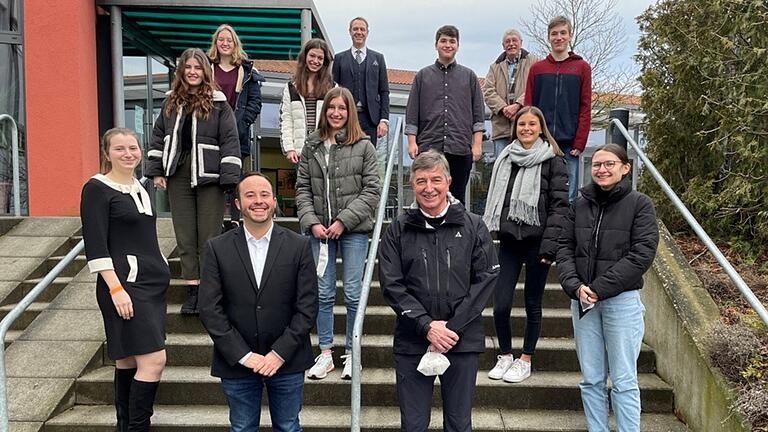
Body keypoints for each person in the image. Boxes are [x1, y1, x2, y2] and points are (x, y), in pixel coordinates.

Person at [378, 150, 499, 432]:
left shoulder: (473, 225)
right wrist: (427, 326)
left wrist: (451, 328)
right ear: (412, 184)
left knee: (458, 423)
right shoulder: (398, 229)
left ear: (448, 182)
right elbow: (391, 284)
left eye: (435, 180)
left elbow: (486, 278)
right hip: (412, 340)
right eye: (421, 181)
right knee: (413, 424)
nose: (428, 188)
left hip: (462, 339)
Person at [199, 172, 318, 432]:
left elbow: (307, 307)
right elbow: (209, 308)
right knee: (242, 427)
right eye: (250, 195)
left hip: (288, 360)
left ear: (274, 201)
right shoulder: (216, 248)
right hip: (237, 362)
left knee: (288, 426)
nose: (258, 201)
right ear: (238, 203)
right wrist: (243, 356)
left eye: (264, 195)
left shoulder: (298, 246)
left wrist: (278, 354)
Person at [557, 144, 659, 432]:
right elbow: (564, 248)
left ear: (625, 168)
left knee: (624, 380)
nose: (601, 169)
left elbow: (641, 254)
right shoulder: (578, 205)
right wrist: (575, 287)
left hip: (620, 302)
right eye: (596, 164)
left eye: (609, 163)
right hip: (583, 302)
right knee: (591, 379)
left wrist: (599, 288)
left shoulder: (640, 205)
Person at [80, 128, 170, 431]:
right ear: (107, 153)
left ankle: (126, 427)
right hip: (123, 287)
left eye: (132, 147)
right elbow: (95, 244)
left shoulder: (140, 187)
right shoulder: (96, 188)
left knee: (129, 362)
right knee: (154, 360)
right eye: (119, 149)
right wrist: (115, 288)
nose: (128, 153)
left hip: (151, 288)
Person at [145, 48, 241, 315]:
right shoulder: (170, 103)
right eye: (188, 67)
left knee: (209, 236)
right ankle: (193, 291)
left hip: (210, 175)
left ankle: (210, 292)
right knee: (185, 235)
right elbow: (157, 138)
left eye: (197, 67)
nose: (192, 72)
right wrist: (156, 171)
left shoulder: (219, 102)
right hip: (178, 173)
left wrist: (229, 177)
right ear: (181, 71)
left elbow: (230, 141)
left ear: (205, 71)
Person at [295, 87, 380, 380]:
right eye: (331, 107)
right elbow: (302, 189)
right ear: (324, 111)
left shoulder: (364, 146)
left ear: (349, 112)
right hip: (319, 232)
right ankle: (326, 353)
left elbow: (372, 190)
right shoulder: (311, 145)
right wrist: (311, 222)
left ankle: (353, 354)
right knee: (323, 292)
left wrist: (343, 220)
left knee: (354, 292)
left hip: (353, 230)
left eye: (342, 108)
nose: (336, 113)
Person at [481, 106, 569, 383]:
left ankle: (526, 358)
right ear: (515, 128)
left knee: (533, 302)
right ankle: (505, 355)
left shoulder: (554, 161)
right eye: (522, 125)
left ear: (541, 127)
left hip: (538, 243)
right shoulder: (505, 158)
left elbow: (559, 207)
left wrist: (550, 247)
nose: (526, 129)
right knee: (500, 304)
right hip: (508, 241)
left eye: (532, 124)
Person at [405, 25, 485, 205]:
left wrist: (477, 144)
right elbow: (412, 113)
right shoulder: (422, 76)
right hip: (429, 148)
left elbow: (478, 114)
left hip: (460, 148)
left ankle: (456, 233)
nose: (447, 45)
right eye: (443, 41)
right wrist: (411, 143)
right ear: (436, 45)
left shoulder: (469, 77)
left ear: (457, 45)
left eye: (452, 41)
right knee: (428, 197)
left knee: (456, 200)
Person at [525, 15, 592, 202]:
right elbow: (529, 107)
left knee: (567, 197)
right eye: (554, 34)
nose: (559, 37)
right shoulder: (537, 69)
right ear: (548, 37)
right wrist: (530, 138)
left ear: (570, 35)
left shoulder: (582, 68)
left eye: (563, 33)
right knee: (537, 193)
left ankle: (565, 231)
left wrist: (579, 143)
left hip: (569, 144)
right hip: (541, 142)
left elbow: (585, 107)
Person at [207, 23, 265, 230]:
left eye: (228, 40)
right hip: (210, 133)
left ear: (235, 44)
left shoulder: (247, 70)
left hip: (237, 133)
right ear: (216, 43)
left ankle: (235, 219)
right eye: (221, 39)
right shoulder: (207, 68)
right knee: (213, 177)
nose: (224, 43)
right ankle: (214, 220)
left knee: (236, 177)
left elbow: (255, 103)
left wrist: (241, 124)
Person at [481, 29, 539, 160]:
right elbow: (488, 91)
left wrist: (518, 105)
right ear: (503, 45)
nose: (511, 44)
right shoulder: (494, 67)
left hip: (526, 126)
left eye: (514, 40)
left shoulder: (534, 62)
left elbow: (535, 86)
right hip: (501, 128)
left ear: (521, 43)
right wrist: (503, 108)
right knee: (502, 167)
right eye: (507, 41)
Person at [332, 16, 390, 146]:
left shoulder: (378, 58)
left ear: (367, 32)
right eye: (355, 29)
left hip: (370, 119)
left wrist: (384, 120)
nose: (359, 32)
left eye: (362, 29)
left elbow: (384, 91)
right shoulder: (339, 58)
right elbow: (334, 91)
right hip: (346, 117)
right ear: (350, 31)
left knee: (368, 157)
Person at [280, 38, 335, 164]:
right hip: (300, 151)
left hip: (325, 150)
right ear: (305, 56)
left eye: (320, 58)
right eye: (312, 56)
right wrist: (289, 149)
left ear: (324, 61)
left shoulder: (332, 88)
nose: (315, 61)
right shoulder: (291, 87)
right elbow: (286, 119)